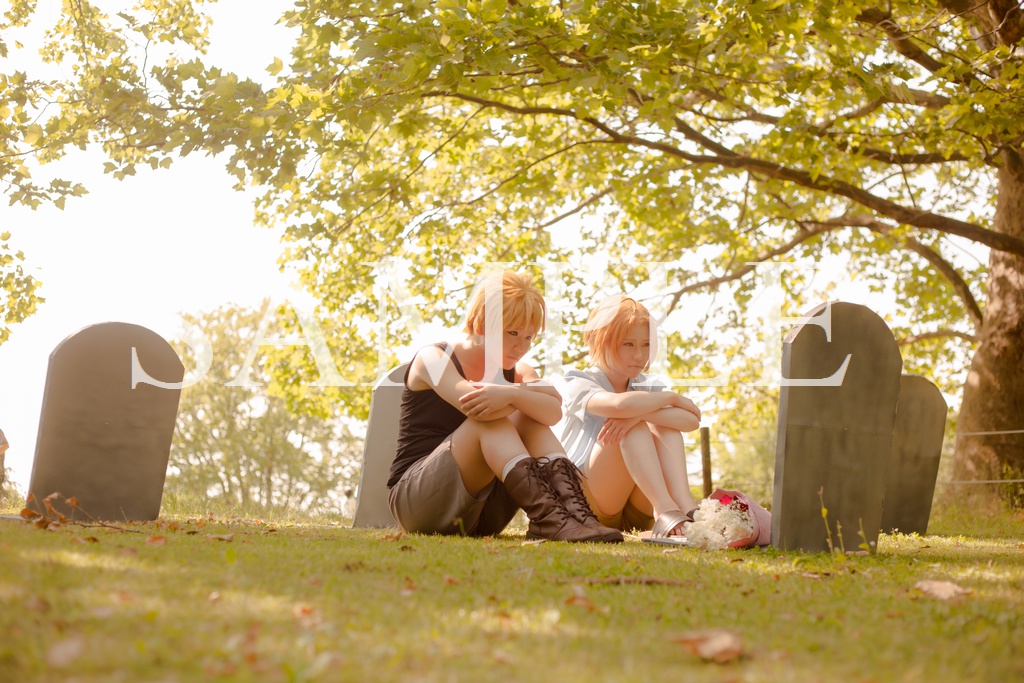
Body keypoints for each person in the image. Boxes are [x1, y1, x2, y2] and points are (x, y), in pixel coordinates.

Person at [387, 270, 622, 542]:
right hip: (419, 503)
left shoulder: (518, 370)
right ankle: (550, 517)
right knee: (491, 420)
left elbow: (552, 412)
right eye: (512, 332)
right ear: (482, 324)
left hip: (484, 513)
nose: (521, 346)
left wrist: (513, 394)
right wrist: (523, 396)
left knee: (529, 418)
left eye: (529, 337)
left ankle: (574, 515)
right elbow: (476, 407)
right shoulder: (435, 358)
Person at [560, 296, 702, 543]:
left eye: (646, 345)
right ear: (599, 341)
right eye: (628, 344)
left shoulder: (644, 385)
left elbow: (691, 421)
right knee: (633, 427)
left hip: (636, 509)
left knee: (663, 427)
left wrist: (642, 413)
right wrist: (670, 398)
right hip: (588, 505)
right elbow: (618, 405)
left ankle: (684, 503)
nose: (639, 355)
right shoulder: (579, 381)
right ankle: (666, 510)